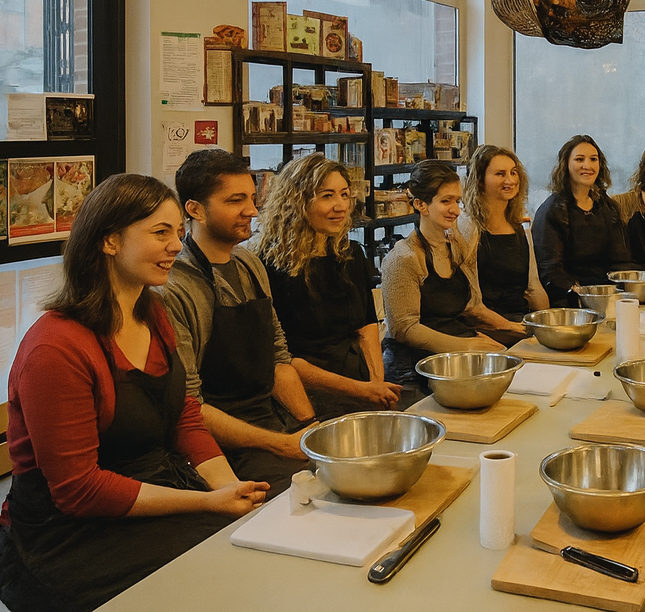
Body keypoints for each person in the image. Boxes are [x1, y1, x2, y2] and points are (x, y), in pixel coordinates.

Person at [0, 174, 266, 612]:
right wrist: (205, 501)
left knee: (251, 546)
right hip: (66, 538)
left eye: (178, 233)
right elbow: (79, 490)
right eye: (160, 233)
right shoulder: (57, 348)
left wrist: (232, 492)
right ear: (109, 241)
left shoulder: (151, 313)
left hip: (150, 490)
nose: (177, 246)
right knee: (219, 580)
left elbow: (184, 419)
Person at [162, 149, 313, 492]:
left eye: (252, 197)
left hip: (272, 421)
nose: (252, 210)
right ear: (194, 210)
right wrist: (281, 444)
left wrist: (309, 426)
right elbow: (191, 407)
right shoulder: (174, 288)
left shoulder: (249, 264)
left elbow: (279, 359)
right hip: (221, 447)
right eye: (236, 200)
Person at [253, 153, 400, 418]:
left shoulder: (351, 253)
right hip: (307, 395)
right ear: (296, 202)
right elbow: (283, 359)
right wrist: (360, 390)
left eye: (344, 194)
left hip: (362, 383)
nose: (341, 206)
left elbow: (367, 326)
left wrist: (376, 383)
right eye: (327, 196)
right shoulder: (270, 266)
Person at [382, 160, 529, 388]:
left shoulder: (458, 247)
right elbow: (404, 329)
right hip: (411, 365)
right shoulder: (404, 258)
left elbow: (473, 306)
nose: (456, 210)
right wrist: (465, 347)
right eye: (446, 201)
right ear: (421, 204)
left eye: (458, 201)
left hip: (455, 348)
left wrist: (514, 328)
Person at [532, 134, 637, 306]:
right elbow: (552, 272)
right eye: (579, 159)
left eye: (593, 159)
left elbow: (621, 261)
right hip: (568, 300)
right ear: (565, 164)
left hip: (606, 294)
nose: (587, 165)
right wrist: (585, 294)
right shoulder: (551, 211)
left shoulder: (608, 208)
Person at [457, 144, 548, 323]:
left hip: (520, 319)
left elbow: (534, 287)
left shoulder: (520, 228)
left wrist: (552, 323)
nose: (510, 180)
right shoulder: (468, 227)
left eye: (513, 172)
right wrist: (512, 329)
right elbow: (471, 304)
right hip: (484, 325)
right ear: (480, 180)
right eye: (500, 174)